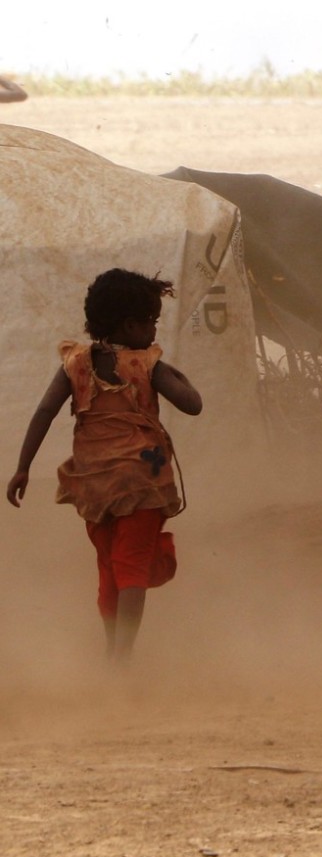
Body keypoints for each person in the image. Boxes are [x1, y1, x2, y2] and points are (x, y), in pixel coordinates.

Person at [7, 269, 202, 663]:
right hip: (140, 482)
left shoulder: (76, 363)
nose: (153, 331)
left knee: (109, 568)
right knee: (133, 566)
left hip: (94, 483)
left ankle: (112, 653)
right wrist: (171, 371)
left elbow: (45, 411)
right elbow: (192, 403)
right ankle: (122, 658)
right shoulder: (146, 364)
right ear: (131, 324)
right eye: (151, 322)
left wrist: (23, 467)